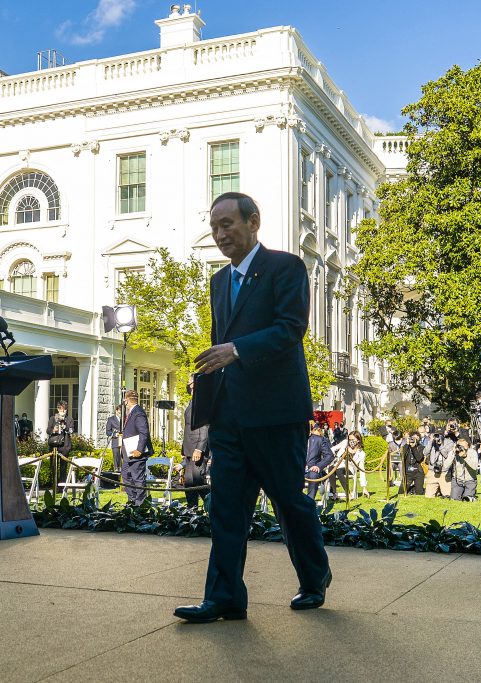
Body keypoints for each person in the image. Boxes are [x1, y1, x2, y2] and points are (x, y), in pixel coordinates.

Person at [174, 192, 331, 624]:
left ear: (253, 221)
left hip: (277, 414)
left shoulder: (287, 267)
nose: (220, 234)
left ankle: (314, 579)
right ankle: (224, 597)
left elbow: (290, 328)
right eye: (214, 227)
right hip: (229, 416)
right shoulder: (218, 281)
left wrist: (237, 350)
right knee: (225, 508)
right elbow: (218, 344)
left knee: (287, 502)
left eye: (228, 224)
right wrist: (207, 379)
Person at [120, 389, 152, 505]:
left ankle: (140, 504)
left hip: (136, 452)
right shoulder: (132, 413)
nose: (125, 404)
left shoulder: (138, 412)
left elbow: (144, 432)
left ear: (127, 401)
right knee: (125, 475)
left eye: (125, 401)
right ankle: (132, 500)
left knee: (138, 479)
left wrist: (140, 449)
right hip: (128, 453)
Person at [181, 380, 210, 508]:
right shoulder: (192, 402)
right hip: (189, 449)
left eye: (191, 382)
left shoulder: (202, 403)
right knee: (189, 483)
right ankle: (191, 512)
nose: (189, 385)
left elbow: (204, 427)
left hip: (196, 450)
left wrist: (199, 449)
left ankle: (214, 509)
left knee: (199, 482)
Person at [331, 430, 370, 498]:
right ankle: (334, 493)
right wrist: (334, 456)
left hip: (349, 469)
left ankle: (348, 493)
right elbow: (332, 449)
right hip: (338, 464)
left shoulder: (361, 453)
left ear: (358, 440)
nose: (351, 441)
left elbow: (361, 469)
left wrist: (364, 487)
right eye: (349, 439)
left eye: (353, 439)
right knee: (331, 468)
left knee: (338, 470)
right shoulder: (345, 443)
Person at [305, 422, 335, 500]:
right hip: (297, 470)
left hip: (312, 469)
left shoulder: (319, 439)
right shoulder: (294, 440)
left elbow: (329, 455)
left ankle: (309, 501)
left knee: (313, 475)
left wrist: (318, 466)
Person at [423, 432, 454, 498]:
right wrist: (430, 441)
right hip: (432, 471)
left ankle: (440, 490)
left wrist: (440, 445)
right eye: (436, 436)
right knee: (428, 496)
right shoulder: (432, 442)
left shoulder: (449, 442)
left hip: (444, 472)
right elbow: (425, 453)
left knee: (447, 495)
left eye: (439, 436)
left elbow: (446, 455)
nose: (437, 438)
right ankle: (438, 490)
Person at [105, 405, 123, 479]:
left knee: (124, 458)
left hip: (124, 442)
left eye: (121, 412)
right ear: (116, 411)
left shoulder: (125, 419)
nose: (120, 413)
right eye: (119, 411)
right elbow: (108, 432)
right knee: (116, 458)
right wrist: (115, 434)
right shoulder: (111, 419)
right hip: (115, 441)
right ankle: (116, 477)